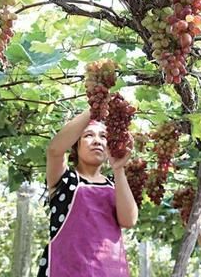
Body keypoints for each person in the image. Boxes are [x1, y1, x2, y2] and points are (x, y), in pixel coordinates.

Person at [36, 110, 138, 276]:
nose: (97, 141)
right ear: (76, 145)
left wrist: (119, 170)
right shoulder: (65, 179)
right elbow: (54, 150)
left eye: (103, 137)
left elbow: (129, 220)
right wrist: (96, 107)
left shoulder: (115, 185)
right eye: (88, 135)